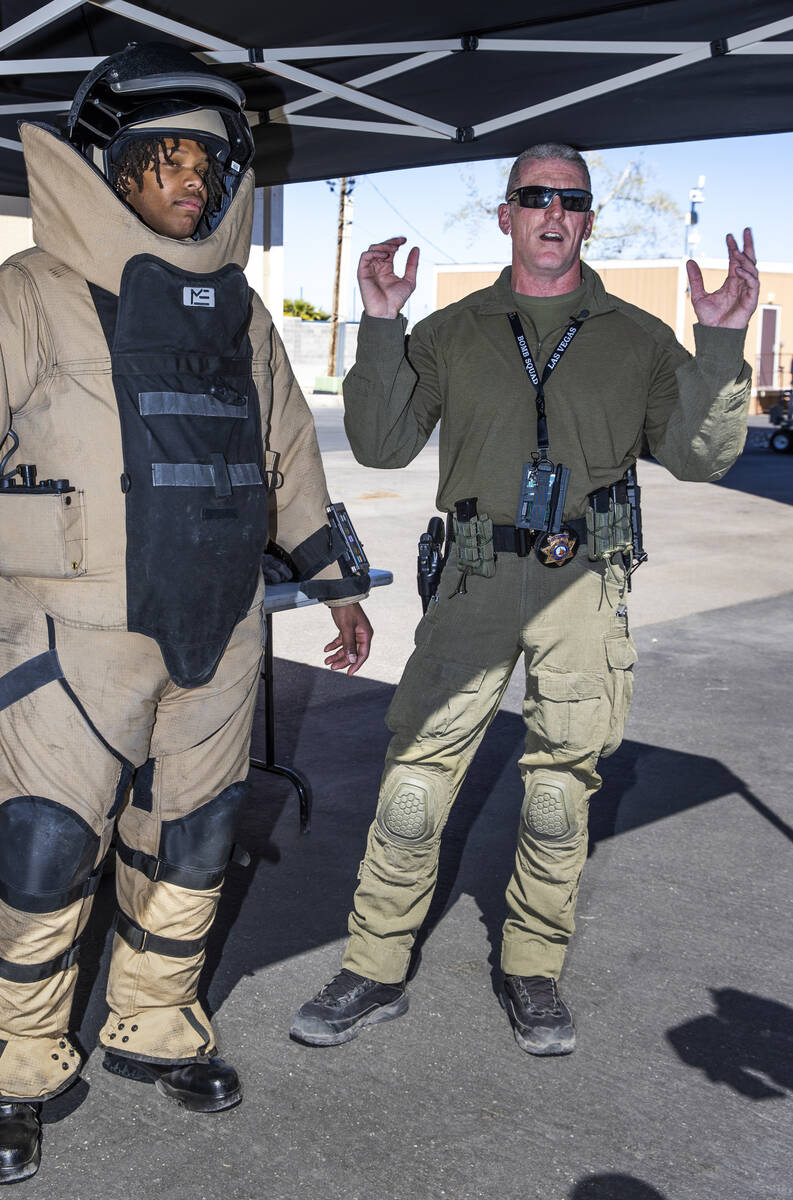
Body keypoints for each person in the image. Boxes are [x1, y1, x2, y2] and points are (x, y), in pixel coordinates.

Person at [0, 43, 372, 1185]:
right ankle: (11, 1059)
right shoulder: (30, 292)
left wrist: (336, 580)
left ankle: (154, 1019)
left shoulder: (241, 317)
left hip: (218, 627)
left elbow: (287, 452)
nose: (193, 181)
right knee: (46, 847)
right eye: (167, 158)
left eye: (208, 160)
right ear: (110, 166)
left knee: (196, 843)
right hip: (67, 632)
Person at [291, 143, 758, 1059]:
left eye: (570, 199)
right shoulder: (452, 330)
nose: (552, 212)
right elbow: (382, 447)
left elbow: (704, 457)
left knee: (557, 792)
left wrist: (718, 344)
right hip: (471, 580)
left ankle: (533, 967)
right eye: (533, 196)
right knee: (414, 787)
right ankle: (374, 968)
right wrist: (381, 322)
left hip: (584, 586)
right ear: (503, 214)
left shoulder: (637, 338)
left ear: (588, 218)